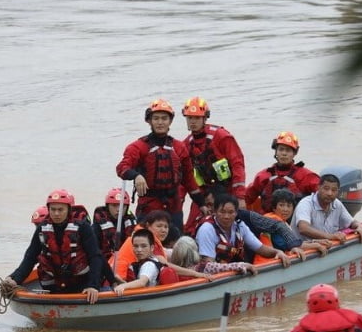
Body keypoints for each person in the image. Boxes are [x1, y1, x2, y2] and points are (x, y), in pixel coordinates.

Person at [116, 98, 204, 232]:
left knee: (176, 245)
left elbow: (189, 180)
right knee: (146, 243)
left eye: (164, 118)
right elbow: (122, 168)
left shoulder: (179, 147)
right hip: (149, 207)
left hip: (173, 208)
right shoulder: (138, 147)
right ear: (149, 121)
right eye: (156, 118)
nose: (160, 122)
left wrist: (202, 204)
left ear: (170, 121)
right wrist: (136, 176)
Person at [2, 189, 104, 304]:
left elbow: (95, 257)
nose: (56, 214)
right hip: (55, 282)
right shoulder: (42, 229)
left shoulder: (83, 228)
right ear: (49, 210)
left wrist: (93, 285)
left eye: (60, 210)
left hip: (82, 281)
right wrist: (14, 279)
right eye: (53, 209)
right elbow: (30, 257)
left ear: (69, 210)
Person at [181, 96, 248, 230]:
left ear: (205, 118)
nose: (193, 122)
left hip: (228, 190)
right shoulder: (186, 145)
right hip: (205, 194)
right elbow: (185, 178)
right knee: (190, 227)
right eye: (190, 118)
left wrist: (240, 197)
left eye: (197, 118)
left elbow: (237, 165)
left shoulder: (222, 137)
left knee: (234, 225)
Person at [195, 193, 292, 268]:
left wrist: (278, 252)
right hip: (210, 277)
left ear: (237, 213)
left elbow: (260, 248)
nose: (226, 216)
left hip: (234, 271)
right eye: (222, 212)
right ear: (215, 212)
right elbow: (208, 266)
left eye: (231, 212)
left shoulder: (239, 225)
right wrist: (238, 266)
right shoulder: (207, 229)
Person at [113, 229, 209, 295]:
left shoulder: (148, 265)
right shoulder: (154, 259)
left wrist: (124, 286)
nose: (139, 250)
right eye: (135, 246)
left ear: (152, 248)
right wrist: (120, 281)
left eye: (143, 246)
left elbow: (142, 282)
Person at [245, 131, 321, 214]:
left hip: (295, 221)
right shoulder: (263, 176)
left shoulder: (306, 176)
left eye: (288, 150)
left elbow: (323, 193)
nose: (284, 153)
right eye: (281, 149)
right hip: (266, 221)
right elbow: (245, 198)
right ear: (276, 152)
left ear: (294, 153)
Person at [254, 189, 331, 264]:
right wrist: (316, 246)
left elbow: (293, 242)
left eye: (289, 206)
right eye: (281, 205)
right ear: (274, 207)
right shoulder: (273, 220)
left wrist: (314, 241)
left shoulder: (283, 222)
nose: (285, 209)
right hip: (265, 264)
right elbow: (289, 245)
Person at [292, 174, 362, 244]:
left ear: (338, 192)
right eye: (326, 189)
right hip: (303, 251)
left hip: (327, 247)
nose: (330, 193)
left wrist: (360, 227)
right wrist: (330, 236)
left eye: (334, 190)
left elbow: (352, 222)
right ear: (318, 188)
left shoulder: (337, 203)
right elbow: (303, 228)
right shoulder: (305, 203)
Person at [109, 209, 172, 281]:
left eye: (166, 227)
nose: (163, 230)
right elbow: (164, 263)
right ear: (148, 225)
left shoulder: (138, 236)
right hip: (120, 279)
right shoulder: (147, 240)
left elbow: (166, 253)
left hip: (115, 277)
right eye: (159, 226)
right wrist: (187, 272)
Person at [92, 187, 137, 262]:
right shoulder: (97, 226)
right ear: (107, 206)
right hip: (106, 261)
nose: (118, 209)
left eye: (122, 206)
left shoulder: (132, 224)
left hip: (127, 260)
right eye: (114, 205)